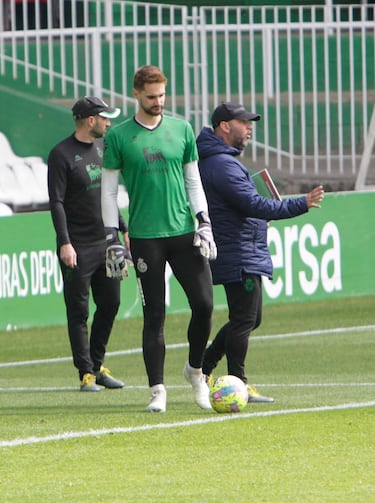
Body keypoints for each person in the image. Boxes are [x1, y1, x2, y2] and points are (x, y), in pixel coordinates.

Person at [101, 65, 217, 413]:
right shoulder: (119, 137)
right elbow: (108, 193)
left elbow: (193, 181)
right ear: (136, 94)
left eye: (162, 95)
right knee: (155, 314)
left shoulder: (181, 129)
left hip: (183, 231)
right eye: (152, 97)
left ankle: (195, 372)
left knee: (205, 306)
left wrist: (204, 222)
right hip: (145, 237)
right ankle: (158, 390)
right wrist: (112, 237)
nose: (158, 102)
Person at [196, 101, 324, 403]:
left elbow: (249, 204)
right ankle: (237, 382)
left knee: (250, 319)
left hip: (243, 249)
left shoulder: (223, 160)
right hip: (237, 253)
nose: (250, 127)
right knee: (243, 319)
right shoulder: (221, 164)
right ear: (225, 126)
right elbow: (253, 205)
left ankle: (204, 366)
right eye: (244, 122)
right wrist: (299, 204)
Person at [48, 96, 128, 392]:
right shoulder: (61, 154)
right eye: (105, 117)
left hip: (108, 242)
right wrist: (65, 243)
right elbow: (56, 202)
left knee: (111, 303)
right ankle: (86, 373)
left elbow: (107, 195)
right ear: (90, 120)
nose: (109, 122)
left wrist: (123, 227)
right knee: (78, 310)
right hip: (78, 246)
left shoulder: (103, 148)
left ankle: (97, 364)